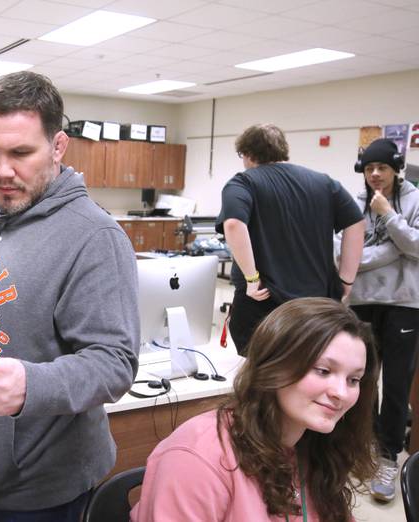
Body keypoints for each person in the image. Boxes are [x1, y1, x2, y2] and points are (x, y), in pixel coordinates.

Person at [0, 71, 140, 521]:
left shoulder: (94, 236)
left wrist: (29, 386)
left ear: (58, 147)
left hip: (41, 489)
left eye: (20, 153)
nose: (2, 171)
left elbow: (114, 362)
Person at [131, 297, 379, 522]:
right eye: (323, 371)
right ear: (275, 365)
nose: (342, 393)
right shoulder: (198, 459)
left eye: (353, 380)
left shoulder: (316, 445)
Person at [216, 123, 365, 356]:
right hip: (316, 306)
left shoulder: (244, 182)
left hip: (266, 304)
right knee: (308, 368)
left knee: (266, 374)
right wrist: (346, 279)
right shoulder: (324, 183)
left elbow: (234, 224)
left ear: (247, 153)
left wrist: (251, 277)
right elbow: (356, 223)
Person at [344, 138, 419, 503]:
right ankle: (364, 446)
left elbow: (418, 247)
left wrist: (389, 214)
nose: (375, 175)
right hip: (361, 300)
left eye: (383, 168)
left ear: (396, 169)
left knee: (396, 383)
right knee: (363, 377)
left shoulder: (415, 199)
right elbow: (342, 252)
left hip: (404, 302)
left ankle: (389, 455)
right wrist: (392, 251)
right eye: (370, 168)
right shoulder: (353, 202)